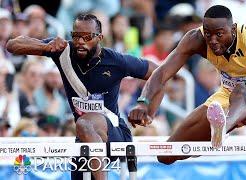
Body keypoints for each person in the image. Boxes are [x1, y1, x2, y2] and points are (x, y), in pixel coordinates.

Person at [128, 5, 246, 165]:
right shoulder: (196, 38)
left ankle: (222, 129)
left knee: (241, 90)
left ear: (233, 29)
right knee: (167, 154)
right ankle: (216, 133)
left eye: (219, 34)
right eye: (208, 33)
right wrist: (143, 101)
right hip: (226, 100)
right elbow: (162, 72)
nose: (212, 40)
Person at [7, 13, 162, 180]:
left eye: (87, 37)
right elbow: (12, 45)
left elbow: (159, 73)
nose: (80, 42)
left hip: (115, 134)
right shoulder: (63, 51)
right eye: (76, 36)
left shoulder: (116, 61)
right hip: (85, 138)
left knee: (85, 122)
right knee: (84, 128)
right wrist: (44, 47)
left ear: (100, 37)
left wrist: (146, 106)